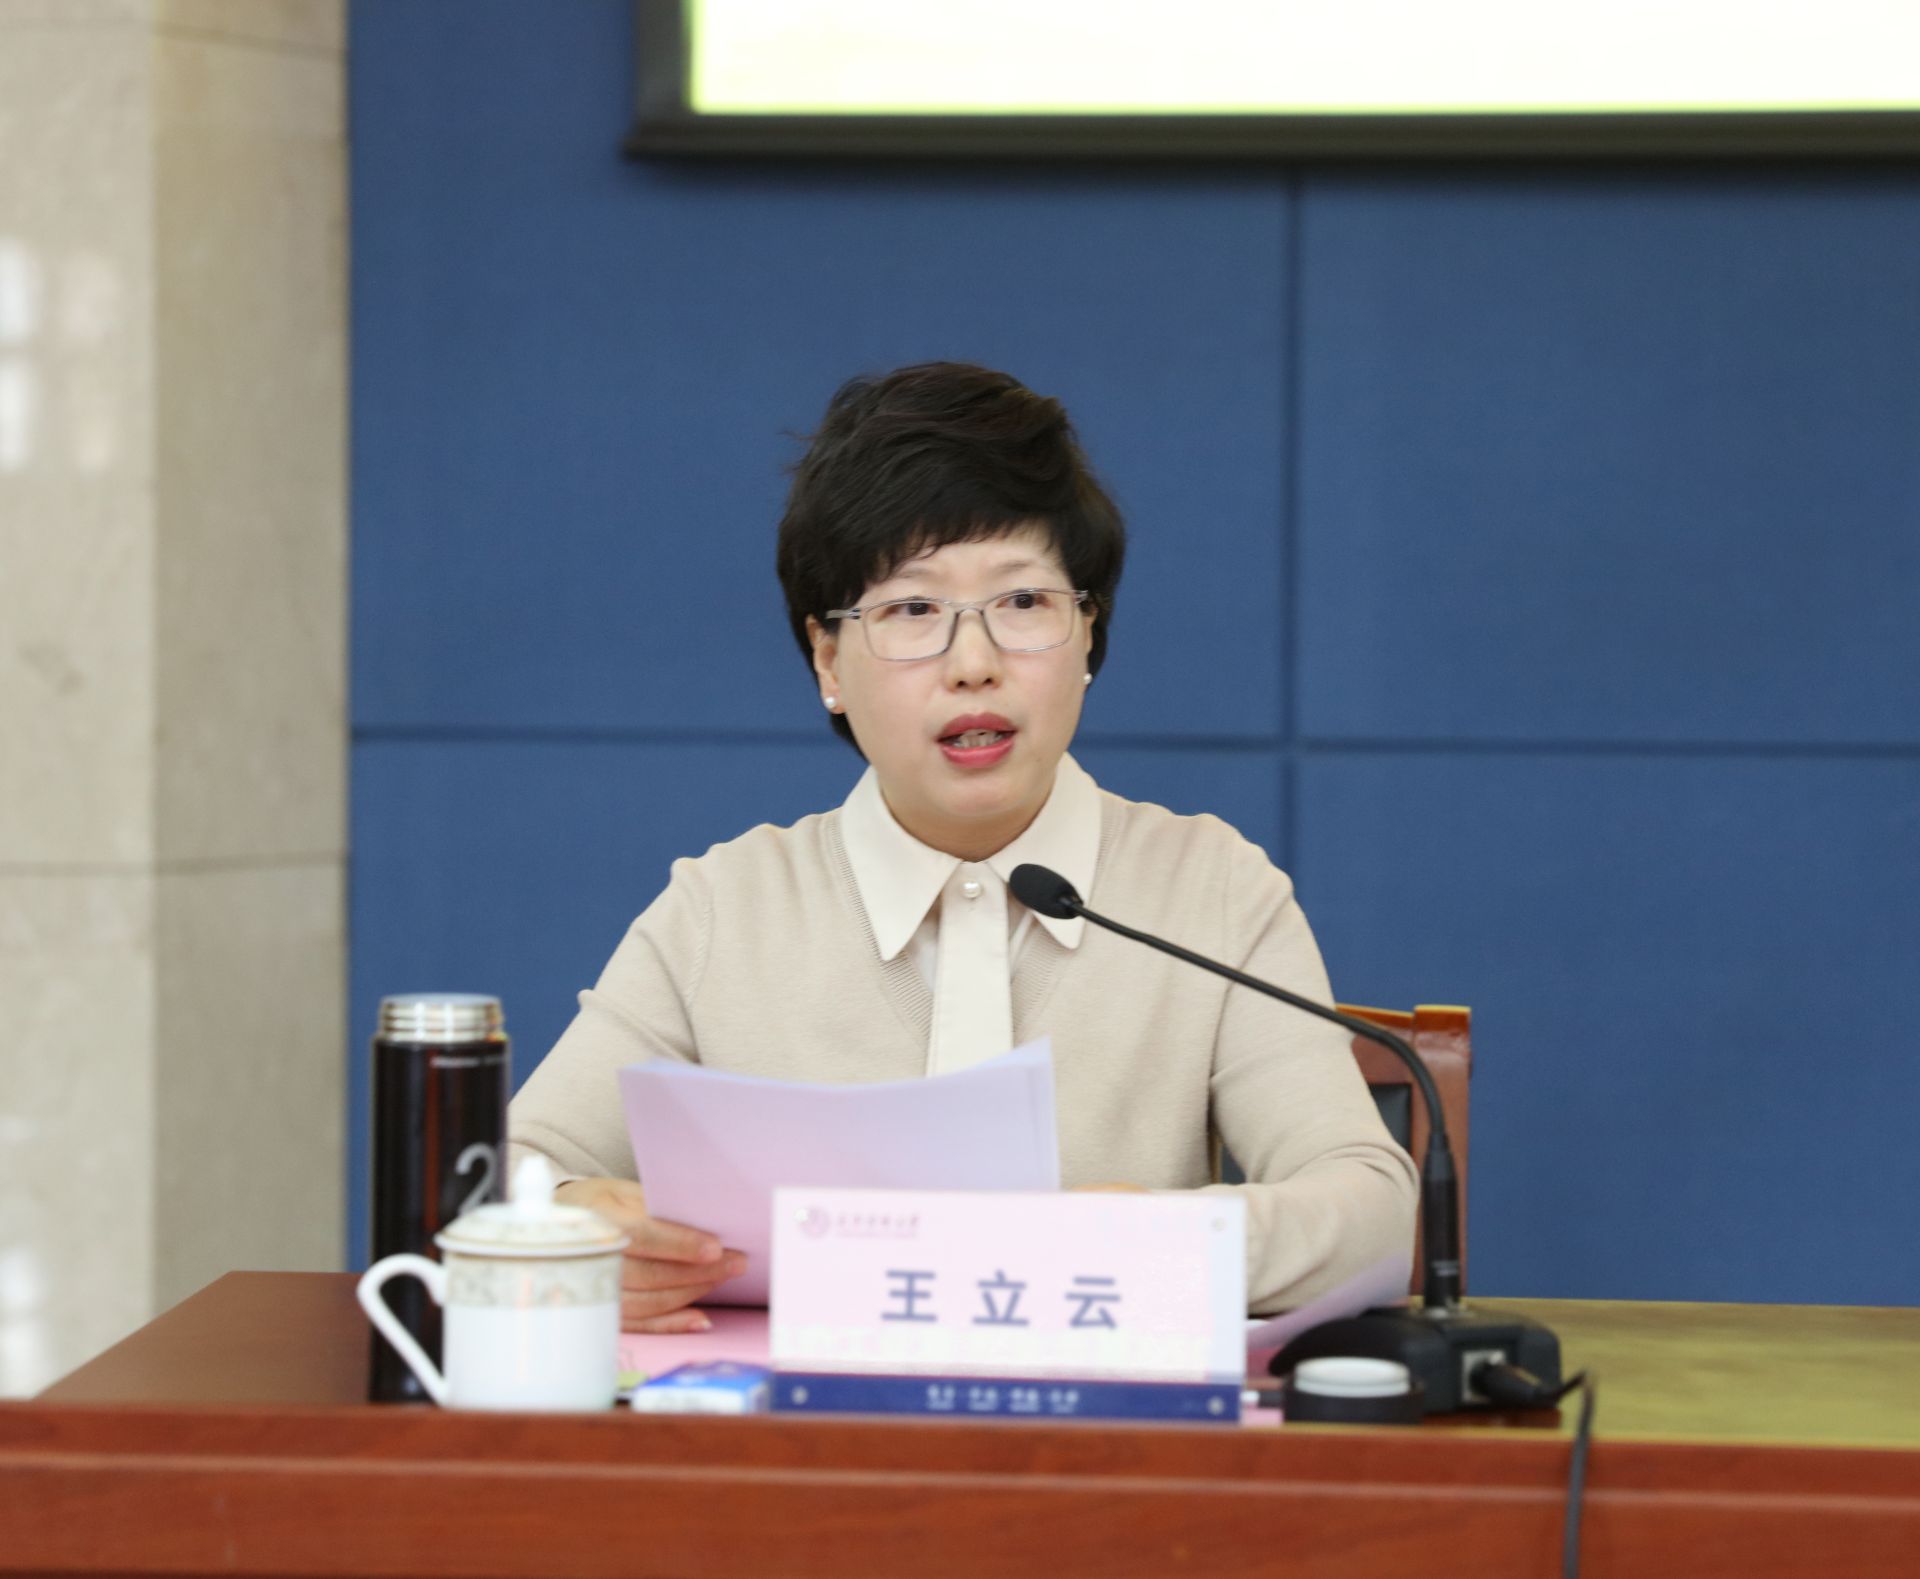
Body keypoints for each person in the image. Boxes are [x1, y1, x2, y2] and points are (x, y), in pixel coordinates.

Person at [507, 361, 1415, 1330]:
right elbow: (504, 1169)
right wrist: (567, 1227)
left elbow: (1374, 1216)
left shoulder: (1211, 890)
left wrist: (1152, 1239)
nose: (974, 664)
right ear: (828, 659)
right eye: (913, 610)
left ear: (1088, 634)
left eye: (1023, 603)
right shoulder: (726, 908)